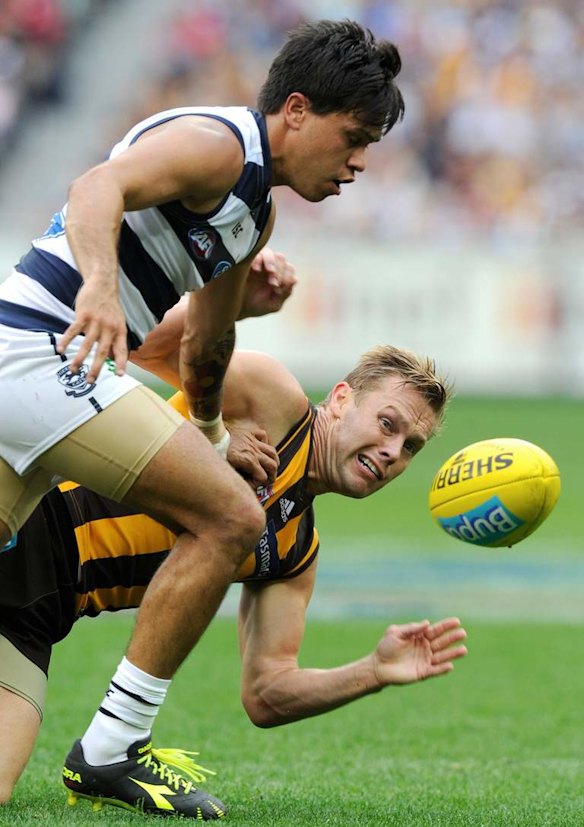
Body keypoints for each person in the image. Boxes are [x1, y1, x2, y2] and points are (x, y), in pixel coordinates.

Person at [0, 18, 406, 820]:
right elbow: (94, 188)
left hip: (46, 383)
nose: (358, 163)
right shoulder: (221, 145)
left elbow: (208, 343)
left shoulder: (253, 217)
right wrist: (99, 286)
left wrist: (216, 433)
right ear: (296, 110)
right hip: (34, 355)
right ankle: (113, 748)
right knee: (230, 515)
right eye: (352, 137)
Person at [0, 344, 467, 819]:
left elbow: (268, 692)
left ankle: (111, 750)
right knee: (234, 522)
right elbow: (164, 339)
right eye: (388, 424)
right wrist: (213, 430)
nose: (392, 451)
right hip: (28, 517)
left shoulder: (295, 552)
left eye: (411, 447)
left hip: (33, 617)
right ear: (342, 399)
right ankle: (116, 745)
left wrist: (372, 671)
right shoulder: (275, 401)